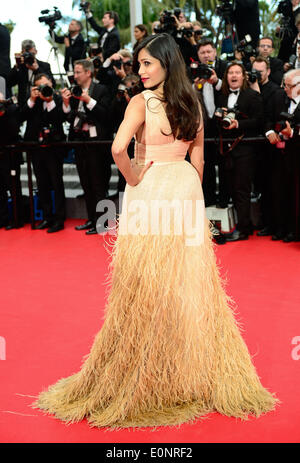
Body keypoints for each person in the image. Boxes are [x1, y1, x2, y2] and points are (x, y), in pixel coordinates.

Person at [33, 33, 278, 428]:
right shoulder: (191, 102)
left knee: (145, 285)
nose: (140, 70)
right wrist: (190, 188)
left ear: (166, 62)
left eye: (147, 63)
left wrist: (133, 179)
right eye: (139, 63)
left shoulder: (141, 102)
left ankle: (150, 371)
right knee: (187, 284)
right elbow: (198, 156)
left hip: (151, 191)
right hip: (184, 190)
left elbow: (117, 150)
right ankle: (186, 370)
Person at [61, 59, 111, 235]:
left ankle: (103, 223)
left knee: (99, 185)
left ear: (88, 73)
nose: (75, 76)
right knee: (86, 184)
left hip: (97, 145)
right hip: (80, 143)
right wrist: (67, 104)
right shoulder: (75, 93)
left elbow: (106, 115)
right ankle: (91, 219)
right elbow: (70, 118)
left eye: (77, 72)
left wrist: (88, 100)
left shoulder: (102, 89)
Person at [216, 61, 263, 241]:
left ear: (243, 76)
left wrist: (239, 123)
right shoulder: (221, 96)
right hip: (226, 150)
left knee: (241, 189)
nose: (234, 76)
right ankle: (241, 224)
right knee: (230, 188)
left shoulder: (252, 95)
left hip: (245, 149)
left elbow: (259, 120)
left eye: (237, 72)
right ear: (226, 77)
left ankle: (244, 229)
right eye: (230, 73)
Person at [21, 73, 66, 233]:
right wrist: (33, 100)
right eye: (40, 86)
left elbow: (59, 119)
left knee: (57, 183)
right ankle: (47, 217)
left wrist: (50, 101)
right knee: (42, 184)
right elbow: (21, 116)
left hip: (54, 148)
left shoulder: (58, 99)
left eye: (46, 84)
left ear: (52, 83)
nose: (44, 89)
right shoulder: (32, 100)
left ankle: (60, 219)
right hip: (36, 148)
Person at [264, 69, 300, 242]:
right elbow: (266, 118)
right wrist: (270, 131)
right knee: (278, 191)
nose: (285, 89)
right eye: (284, 85)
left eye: (289, 86)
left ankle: (295, 230)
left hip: (297, 155)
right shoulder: (278, 97)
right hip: (277, 154)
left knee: (296, 194)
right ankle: (279, 228)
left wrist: (292, 132)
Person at [193, 38, 228, 208]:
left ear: (215, 51)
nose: (206, 55)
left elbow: (232, 92)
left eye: (209, 51)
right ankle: (208, 198)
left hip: (223, 126)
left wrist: (216, 82)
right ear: (198, 56)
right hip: (203, 126)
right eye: (202, 53)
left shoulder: (225, 67)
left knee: (224, 166)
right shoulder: (193, 71)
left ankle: (224, 199)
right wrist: (195, 87)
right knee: (205, 165)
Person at [7, 39, 55, 108]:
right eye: (26, 54)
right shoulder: (20, 67)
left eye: (32, 54)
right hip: (24, 105)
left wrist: (37, 69)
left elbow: (52, 84)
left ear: (36, 51)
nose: (29, 57)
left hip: (41, 104)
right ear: (22, 53)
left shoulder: (45, 66)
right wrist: (16, 66)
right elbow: (9, 83)